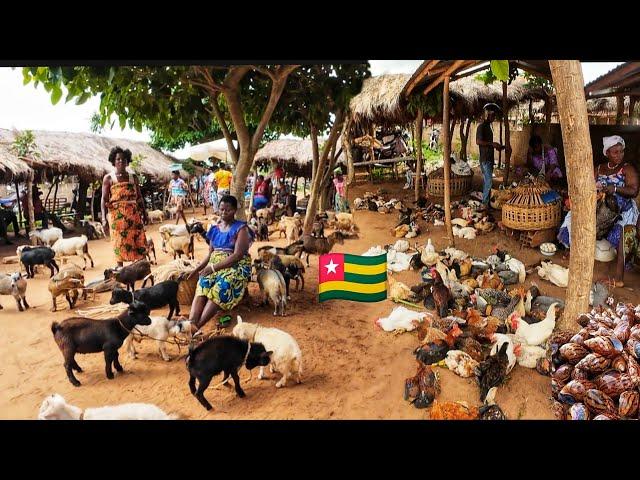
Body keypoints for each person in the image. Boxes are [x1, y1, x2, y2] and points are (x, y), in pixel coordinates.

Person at [558, 135, 639, 287]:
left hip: (622, 209)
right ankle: (574, 250)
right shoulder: (599, 169)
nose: (619, 155)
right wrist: (594, 189)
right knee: (574, 217)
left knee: (623, 233)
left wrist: (615, 188)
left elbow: (634, 191)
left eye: (621, 151)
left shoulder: (627, 168)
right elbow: (587, 186)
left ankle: (619, 278)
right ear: (607, 153)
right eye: (615, 152)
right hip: (601, 206)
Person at [187, 195, 255, 329]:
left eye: (227, 210)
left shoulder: (241, 229)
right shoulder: (214, 229)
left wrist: (213, 269)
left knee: (222, 286)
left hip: (236, 266)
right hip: (214, 264)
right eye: (221, 209)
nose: (223, 213)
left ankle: (198, 326)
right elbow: (210, 254)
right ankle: (191, 324)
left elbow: (237, 255)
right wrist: (196, 270)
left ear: (235, 210)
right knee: (203, 284)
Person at [101, 146, 149, 268]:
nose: (121, 161)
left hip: (134, 216)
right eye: (118, 159)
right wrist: (103, 219)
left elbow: (139, 197)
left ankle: (138, 268)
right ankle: (120, 269)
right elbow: (104, 199)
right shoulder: (109, 178)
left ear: (127, 161)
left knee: (137, 240)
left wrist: (145, 212)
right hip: (118, 218)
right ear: (113, 161)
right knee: (119, 242)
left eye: (123, 159)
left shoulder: (133, 178)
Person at [476, 104, 505, 210]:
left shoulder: (488, 127)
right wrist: (492, 144)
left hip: (489, 158)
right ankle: (485, 203)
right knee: (489, 181)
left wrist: (498, 146)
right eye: (492, 115)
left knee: (486, 181)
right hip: (485, 159)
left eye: (494, 116)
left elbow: (488, 143)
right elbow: (478, 141)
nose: (494, 118)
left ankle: (486, 202)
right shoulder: (481, 127)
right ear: (486, 115)